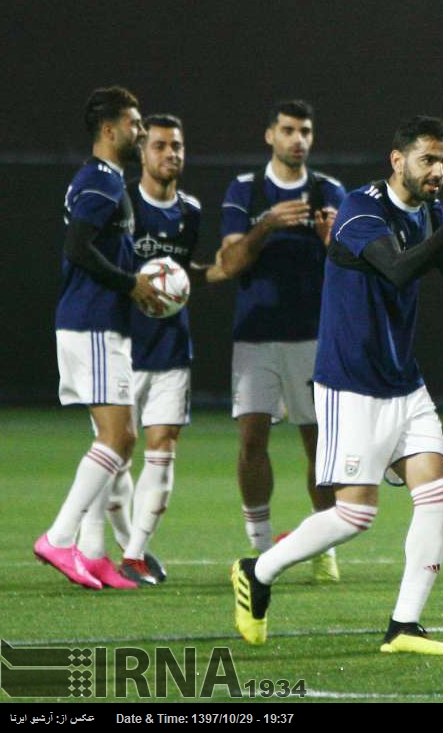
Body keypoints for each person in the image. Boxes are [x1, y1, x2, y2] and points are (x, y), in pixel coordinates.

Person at [231, 115, 443, 654]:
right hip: (351, 384)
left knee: (436, 493)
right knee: (354, 514)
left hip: (402, 382)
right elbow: (401, 271)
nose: (437, 170)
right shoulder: (362, 211)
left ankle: (404, 626)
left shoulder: (431, 211)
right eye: (427, 159)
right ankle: (258, 570)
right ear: (397, 160)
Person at [35, 86, 166, 590]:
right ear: (110, 130)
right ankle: (60, 537)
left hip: (98, 323)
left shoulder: (107, 180)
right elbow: (78, 249)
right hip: (90, 323)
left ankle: (90, 552)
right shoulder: (100, 181)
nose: (141, 131)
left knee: (111, 440)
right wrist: (130, 283)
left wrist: (136, 282)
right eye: (134, 124)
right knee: (120, 437)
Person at [217, 100, 346, 582]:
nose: (298, 139)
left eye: (305, 131)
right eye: (288, 130)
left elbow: (357, 263)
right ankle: (258, 543)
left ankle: (323, 545)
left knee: (319, 445)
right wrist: (267, 224)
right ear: (270, 134)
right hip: (256, 337)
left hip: (315, 336)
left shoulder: (329, 190)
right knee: (252, 438)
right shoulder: (246, 190)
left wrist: (335, 241)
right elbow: (229, 263)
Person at [106, 114, 224, 585]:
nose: (170, 154)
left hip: (172, 348)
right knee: (114, 454)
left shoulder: (190, 210)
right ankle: (121, 541)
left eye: (177, 146)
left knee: (163, 446)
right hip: (120, 347)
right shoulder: (122, 203)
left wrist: (209, 272)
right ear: (143, 152)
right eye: (159, 146)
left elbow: (179, 270)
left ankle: (136, 554)